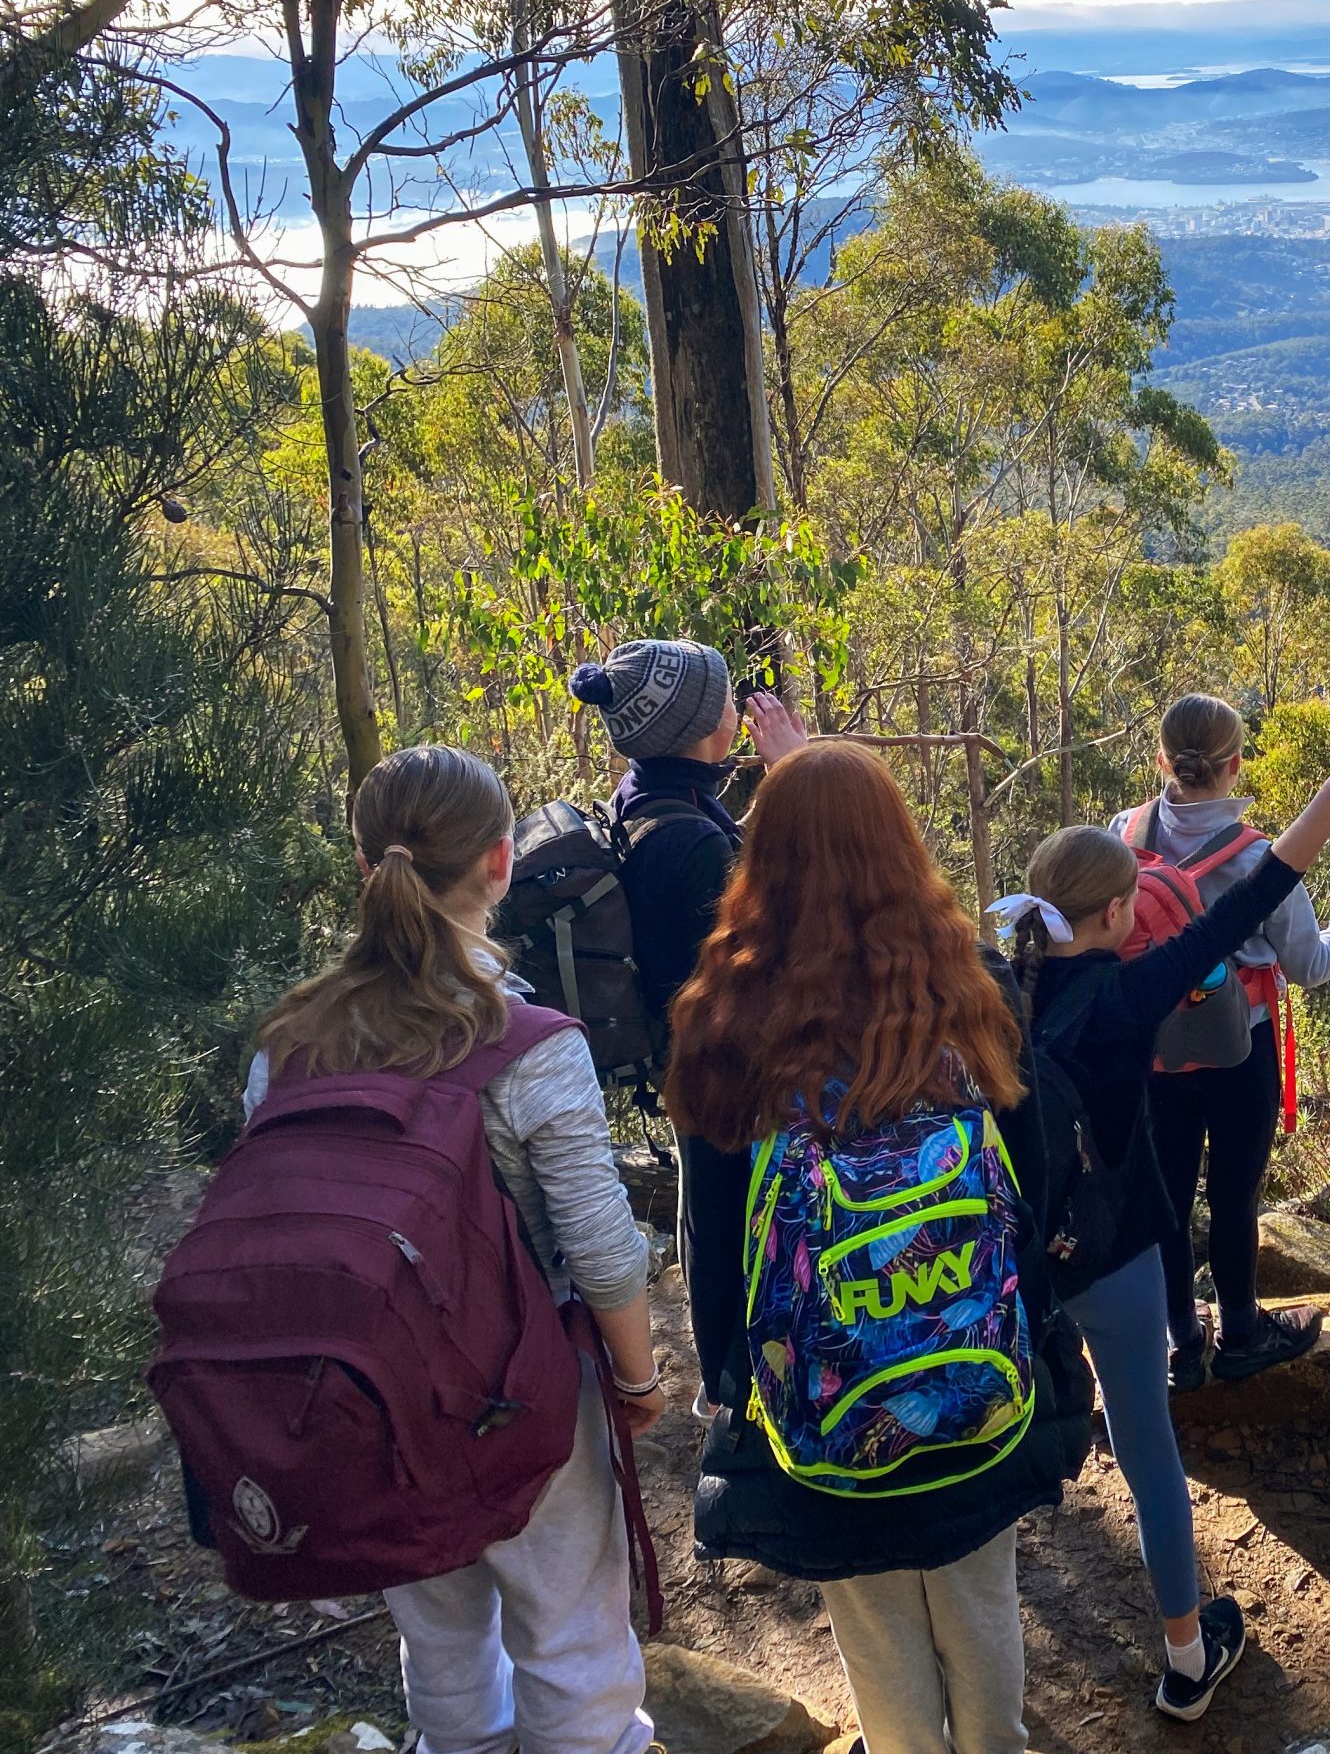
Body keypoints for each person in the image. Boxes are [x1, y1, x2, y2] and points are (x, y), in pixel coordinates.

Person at [998, 691, 1330, 1722]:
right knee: (1147, 1453)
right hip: (1119, 1260)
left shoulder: (990, 988)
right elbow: (1267, 888)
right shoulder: (1127, 995)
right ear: (1117, 918)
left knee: (1021, 1435)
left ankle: (1001, 1659)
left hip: (1022, 1261)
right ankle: (1188, 1657)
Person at [664, 739, 1082, 1754]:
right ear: (901, 848)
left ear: (759, 861)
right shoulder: (969, 986)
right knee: (979, 1587)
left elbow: (716, 1230)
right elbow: (1030, 1177)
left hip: (823, 1381)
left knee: (872, 1606)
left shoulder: (726, 1014)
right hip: (975, 1355)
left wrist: (726, 1371)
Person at [246, 745, 662, 1754]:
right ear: (500, 864)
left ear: (364, 867)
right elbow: (602, 1252)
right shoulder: (531, 1044)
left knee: (440, 1648)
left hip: (366, 1394)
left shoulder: (287, 1046)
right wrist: (638, 1378)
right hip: (525, 1393)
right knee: (569, 1641)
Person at [1116, 693, 1330, 1388]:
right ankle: (1241, 1333)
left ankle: (1181, 1342)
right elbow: (1311, 965)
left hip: (1154, 1050)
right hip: (1242, 1048)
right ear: (1235, 765)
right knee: (1235, 1195)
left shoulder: (1123, 836)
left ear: (1162, 760)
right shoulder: (1258, 858)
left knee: (1168, 1197)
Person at [567, 637, 804, 1374]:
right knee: (729, 1214)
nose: (739, 708)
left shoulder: (647, 798)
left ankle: (722, 1369)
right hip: (725, 1063)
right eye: (727, 698)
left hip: (686, 1052)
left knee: (705, 1206)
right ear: (703, 725)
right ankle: (733, 1377)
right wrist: (798, 778)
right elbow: (775, 933)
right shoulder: (690, 840)